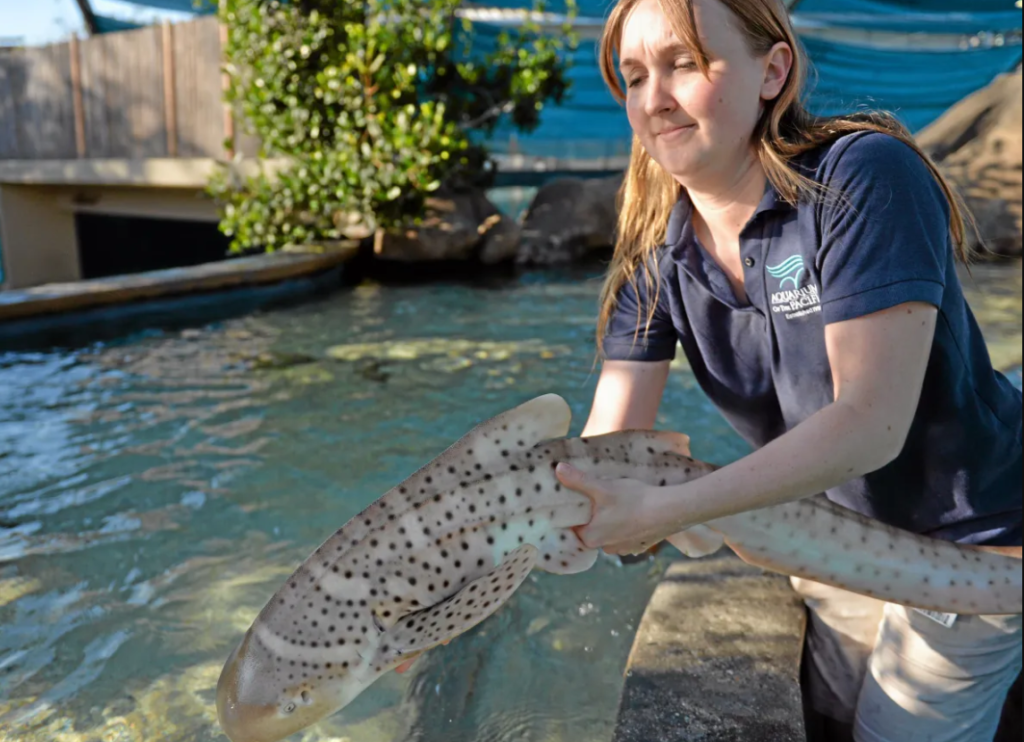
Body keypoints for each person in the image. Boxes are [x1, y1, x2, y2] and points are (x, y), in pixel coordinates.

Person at [548, 1, 1023, 741]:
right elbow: (603, 450)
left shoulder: (862, 176)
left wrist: (676, 508)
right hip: (836, 540)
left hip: (977, 540)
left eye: (684, 63)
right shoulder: (653, 245)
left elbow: (871, 424)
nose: (654, 99)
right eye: (635, 76)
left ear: (773, 71)